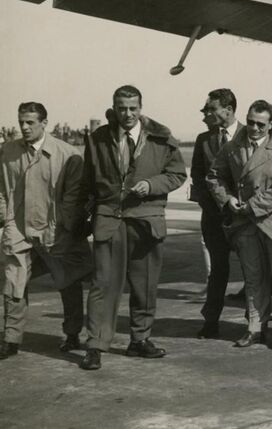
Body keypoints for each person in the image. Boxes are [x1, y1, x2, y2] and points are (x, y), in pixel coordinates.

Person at [80, 85, 187, 370]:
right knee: (103, 285)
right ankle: (95, 345)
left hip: (146, 221)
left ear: (141, 108)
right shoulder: (98, 139)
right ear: (114, 108)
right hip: (109, 220)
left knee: (146, 284)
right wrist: (81, 218)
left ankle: (139, 340)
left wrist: (152, 185)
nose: (127, 114)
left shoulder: (162, 138)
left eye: (133, 108)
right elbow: (87, 182)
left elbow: (177, 174)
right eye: (122, 108)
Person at [208, 100, 272, 351]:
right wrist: (227, 198)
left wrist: (253, 205)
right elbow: (214, 176)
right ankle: (255, 327)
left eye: (260, 124)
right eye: (250, 122)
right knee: (253, 278)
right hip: (245, 224)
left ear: (271, 124)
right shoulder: (231, 148)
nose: (253, 128)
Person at [0, 102, 93, 359]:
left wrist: (58, 229)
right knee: (13, 283)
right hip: (17, 229)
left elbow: (72, 199)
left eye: (30, 122)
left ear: (44, 123)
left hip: (56, 230)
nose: (24, 127)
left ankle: (72, 334)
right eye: (21, 122)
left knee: (68, 281)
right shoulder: (7, 152)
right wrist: (5, 219)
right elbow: (1, 190)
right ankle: (11, 339)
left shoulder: (67, 154)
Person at [190, 88, 243, 339]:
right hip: (214, 217)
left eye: (211, 109)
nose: (207, 113)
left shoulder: (249, 133)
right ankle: (211, 321)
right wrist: (216, 206)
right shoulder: (203, 140)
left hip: (245, 217)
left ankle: (254, 323)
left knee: (254, 271)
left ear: (228, 109)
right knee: (218, 271)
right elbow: (198, 179)